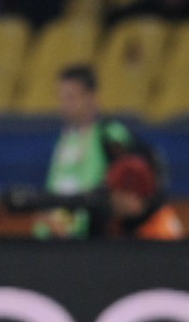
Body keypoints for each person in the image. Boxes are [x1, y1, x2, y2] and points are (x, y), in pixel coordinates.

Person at [35, 64, 132, 239]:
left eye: (71, 97)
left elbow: (125, 187)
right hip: (54, 236)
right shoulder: (63, 140)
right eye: (62, 97)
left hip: (92, 238)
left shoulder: (110, 134)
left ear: (92, 97)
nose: (64, 104)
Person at [104, 154, 184, 239]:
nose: (112, 199)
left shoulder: (160, 232)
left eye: (118, 193)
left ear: (135, 196)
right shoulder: (122, 219)